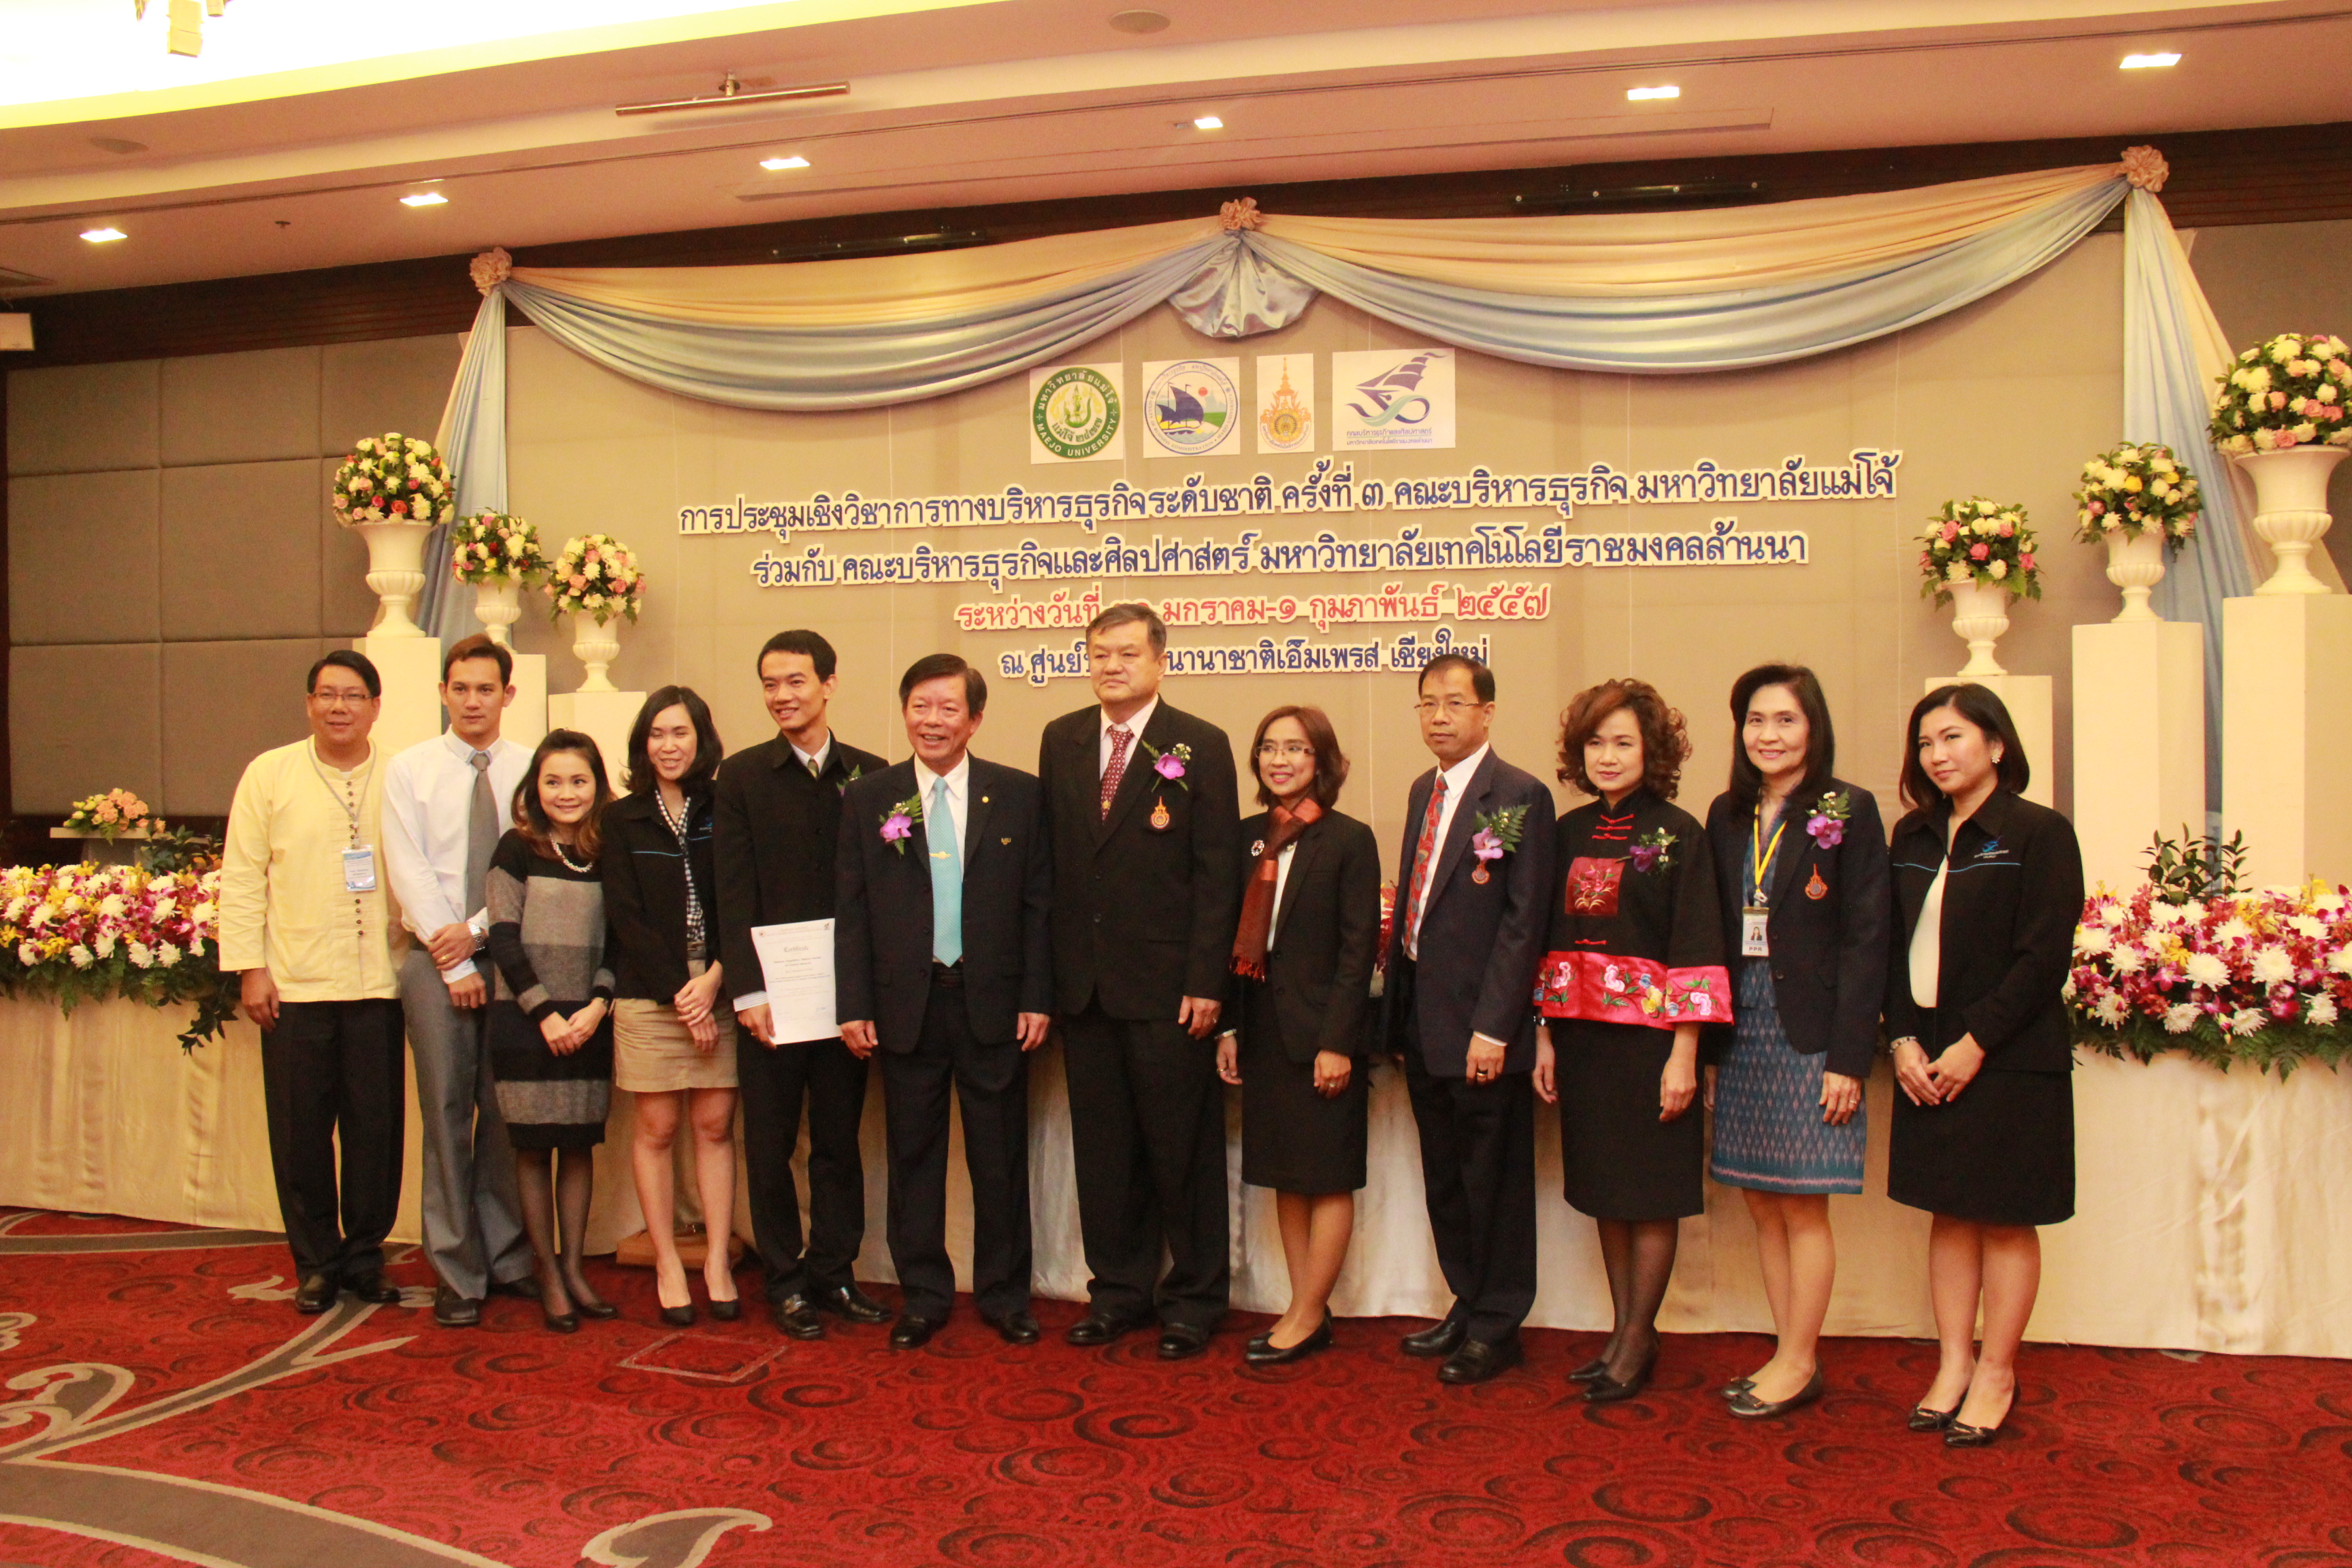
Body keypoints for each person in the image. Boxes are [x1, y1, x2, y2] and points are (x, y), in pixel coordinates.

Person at [1037, 602, 1241, 1359]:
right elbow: (1054, 864)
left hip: (1170, 989)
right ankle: (1118, 1291)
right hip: (1085, 988)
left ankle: (1193, 1299)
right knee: (1105, 1151)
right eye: (1099, 653)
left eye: (1126, 653)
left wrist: (1206, 980)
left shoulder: (1200, 744)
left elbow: (1218, 874)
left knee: (1181, 1149)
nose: (1111, 666)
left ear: (1160, 661)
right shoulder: (1061, 739)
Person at [835, 655, 1054, 1350]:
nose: (932, 721)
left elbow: (1039, 904)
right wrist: (852, 1003)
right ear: (905, 711)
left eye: (948, 708)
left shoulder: (1017, 794)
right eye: (920, 706)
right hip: (906, 1007)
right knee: (914, 1159)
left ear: (975, 719)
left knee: (999, 1158)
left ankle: (1005, 1296)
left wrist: (1037, 995)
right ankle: (924, 1296)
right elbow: (852, 909)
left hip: (994, 1004)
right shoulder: (870, 798)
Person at [1884, 683, 2082, 1448]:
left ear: (1996, 745)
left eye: (1954, 737)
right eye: (1926, 742)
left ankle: (1997, 1372)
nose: (1937, 754)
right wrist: (1902, 1039)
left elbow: (2044, 958)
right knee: (1948, 1211)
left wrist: (1976, 1043)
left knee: (2003, 1218)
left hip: (2009, 1058)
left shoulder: (2039, 832)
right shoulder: (1911, 835)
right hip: (1926, 1056)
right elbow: (1888, 946)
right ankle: (1952, 1366)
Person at [1701, 665, 1890, 1418]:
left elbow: (1867, 941)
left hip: (1812, 1034)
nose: (1768, 735)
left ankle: (1800, 1359)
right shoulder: (1726, 814)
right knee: (1761, 1201)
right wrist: (1709, 1048)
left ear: (1813, 727)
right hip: (1742, 1026)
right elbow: (1714, 933)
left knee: (1805, 1205)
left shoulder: (1849, 809)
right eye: (1755, 720)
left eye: (1784, 720)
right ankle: (1788, 1352)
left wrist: (1849, 1058)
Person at [1534, 678, 1729, 1403]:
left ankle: (1641, 1337)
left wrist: (1686, 1054)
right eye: (1596, 743)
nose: (1608, 756)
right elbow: (1546, 941)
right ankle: (1622, 1332)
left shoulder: (1679, 832)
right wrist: (1545, 1036)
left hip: (1653, 1048)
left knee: (1650, 1193)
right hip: (1582, 1043)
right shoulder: (1566, 831)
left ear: (1654, 751)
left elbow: (1697, 944)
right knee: (1606, 1190)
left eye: (1623, 742)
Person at [220, 650, 408, 1315]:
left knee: (375, 1131)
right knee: (300, 1133)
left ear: (375, 707)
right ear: (308, 704)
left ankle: (365, 1256)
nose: (339, 707)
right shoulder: (269, 774)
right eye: (327, 695)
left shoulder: (399, 775)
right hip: (295, 985)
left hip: (379, 983)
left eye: (353, 696)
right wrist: (251, 967)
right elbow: (242, 877)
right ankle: (317, 1262)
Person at [1385, 653, 1554, 1385]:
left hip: (1484, 1029)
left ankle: (1499, 1323)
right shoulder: (1422, 790)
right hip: (1424, 1023)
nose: (1440, 716)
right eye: (1428, 703)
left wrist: (1495, 1028)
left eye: (1455, 702)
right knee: (1446, 1178)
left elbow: (1524, 925)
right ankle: (1467, 1299)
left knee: (1495, 1182)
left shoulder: (1519, 795)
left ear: (1487, 712)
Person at [713, 632, 890, 1338]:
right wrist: (749, 992)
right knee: (770, 1145)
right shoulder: (741, 777)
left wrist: (867, 995)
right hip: (772, 1002)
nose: (782, 696)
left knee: (840, 1143)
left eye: (795, 681)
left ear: (829, 684)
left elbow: (886, 895)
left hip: (846, 1002)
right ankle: (785, 1282)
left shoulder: (872, 775)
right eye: (770, 684)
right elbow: (733, 891)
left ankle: (834, 1274)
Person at [380, 633, 538, 1328]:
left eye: (486, 689)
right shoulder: (409, 770)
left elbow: (533, 864)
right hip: (432, 960)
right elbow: (407, 869)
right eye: (461, 688)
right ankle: (453, 1268)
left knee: (504, 1111)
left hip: (512, 957)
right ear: (443, 692)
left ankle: (505, 1255)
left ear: (508, 694)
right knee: (445, 1113)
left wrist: (475, 938)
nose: (473, 701)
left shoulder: (534, 769)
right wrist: (453, 959)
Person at [1215, 705, 1381, 1366]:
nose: (1279, 760)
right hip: (1263, 1033)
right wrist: (1229, 1028)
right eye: (1269, 748)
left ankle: (1309, 1314)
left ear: (1323, 761)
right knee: (1286, 1175)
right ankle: (1302, 1307)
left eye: (1296, 749)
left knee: (1328, 1176)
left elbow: (1358, 950)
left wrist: (1337, 1041)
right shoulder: (1246, 837)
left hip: (1322, 1038)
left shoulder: (1348, 839)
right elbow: (1230, 940)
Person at [604, 687, 742, 1328]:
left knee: (714, 1126)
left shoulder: (726, 805)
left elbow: (742, 898)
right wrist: (682, 997)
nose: (668, 745)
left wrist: (713, 980)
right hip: (650, 992)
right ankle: (666, 1262)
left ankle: (715, 1261)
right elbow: (624, 915)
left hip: (719, 983)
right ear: (643, 743)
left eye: (680, 733)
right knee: (656, 1130)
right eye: (657, 734)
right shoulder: (622, 818)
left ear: (701, 739)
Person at [483, 730, 620, 1333]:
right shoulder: (516, 848)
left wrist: (598, 1005)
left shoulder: (609, 850)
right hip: (526, 1021)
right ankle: (547, 1273)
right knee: (535, 1148)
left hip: (588, 1021)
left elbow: (621, 938)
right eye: (554, 781)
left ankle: (574, 1268)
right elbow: (502, 938)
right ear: (534, 787)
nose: (567, 793)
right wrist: (544, 1013)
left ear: (598, 786)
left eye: (579, 780)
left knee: (579, 1144)